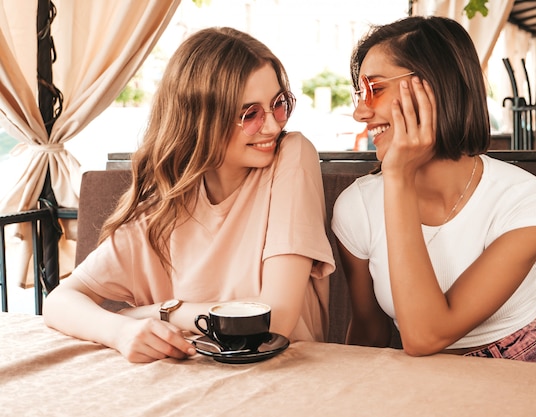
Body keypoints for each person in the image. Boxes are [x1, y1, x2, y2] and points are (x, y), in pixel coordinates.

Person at [44, 27, 335, 363]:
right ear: (199, 119)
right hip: (188, 380)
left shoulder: (292, 156)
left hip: (287, 380)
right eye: (250, 115)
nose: (273, 126)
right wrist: (121, 331)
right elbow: (59, 302)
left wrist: (160, 312)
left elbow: (273, 321)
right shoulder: (162, 207)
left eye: (279, 105)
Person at [331, 16, 536, 365]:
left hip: (526, 367)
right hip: (421, 380)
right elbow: (370, 335)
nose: (360, 112)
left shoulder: (527, 200)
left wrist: (399, 178)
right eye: (359, 93)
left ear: (436, 86)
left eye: (375, 89)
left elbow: (425, 334)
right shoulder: (357, 205)